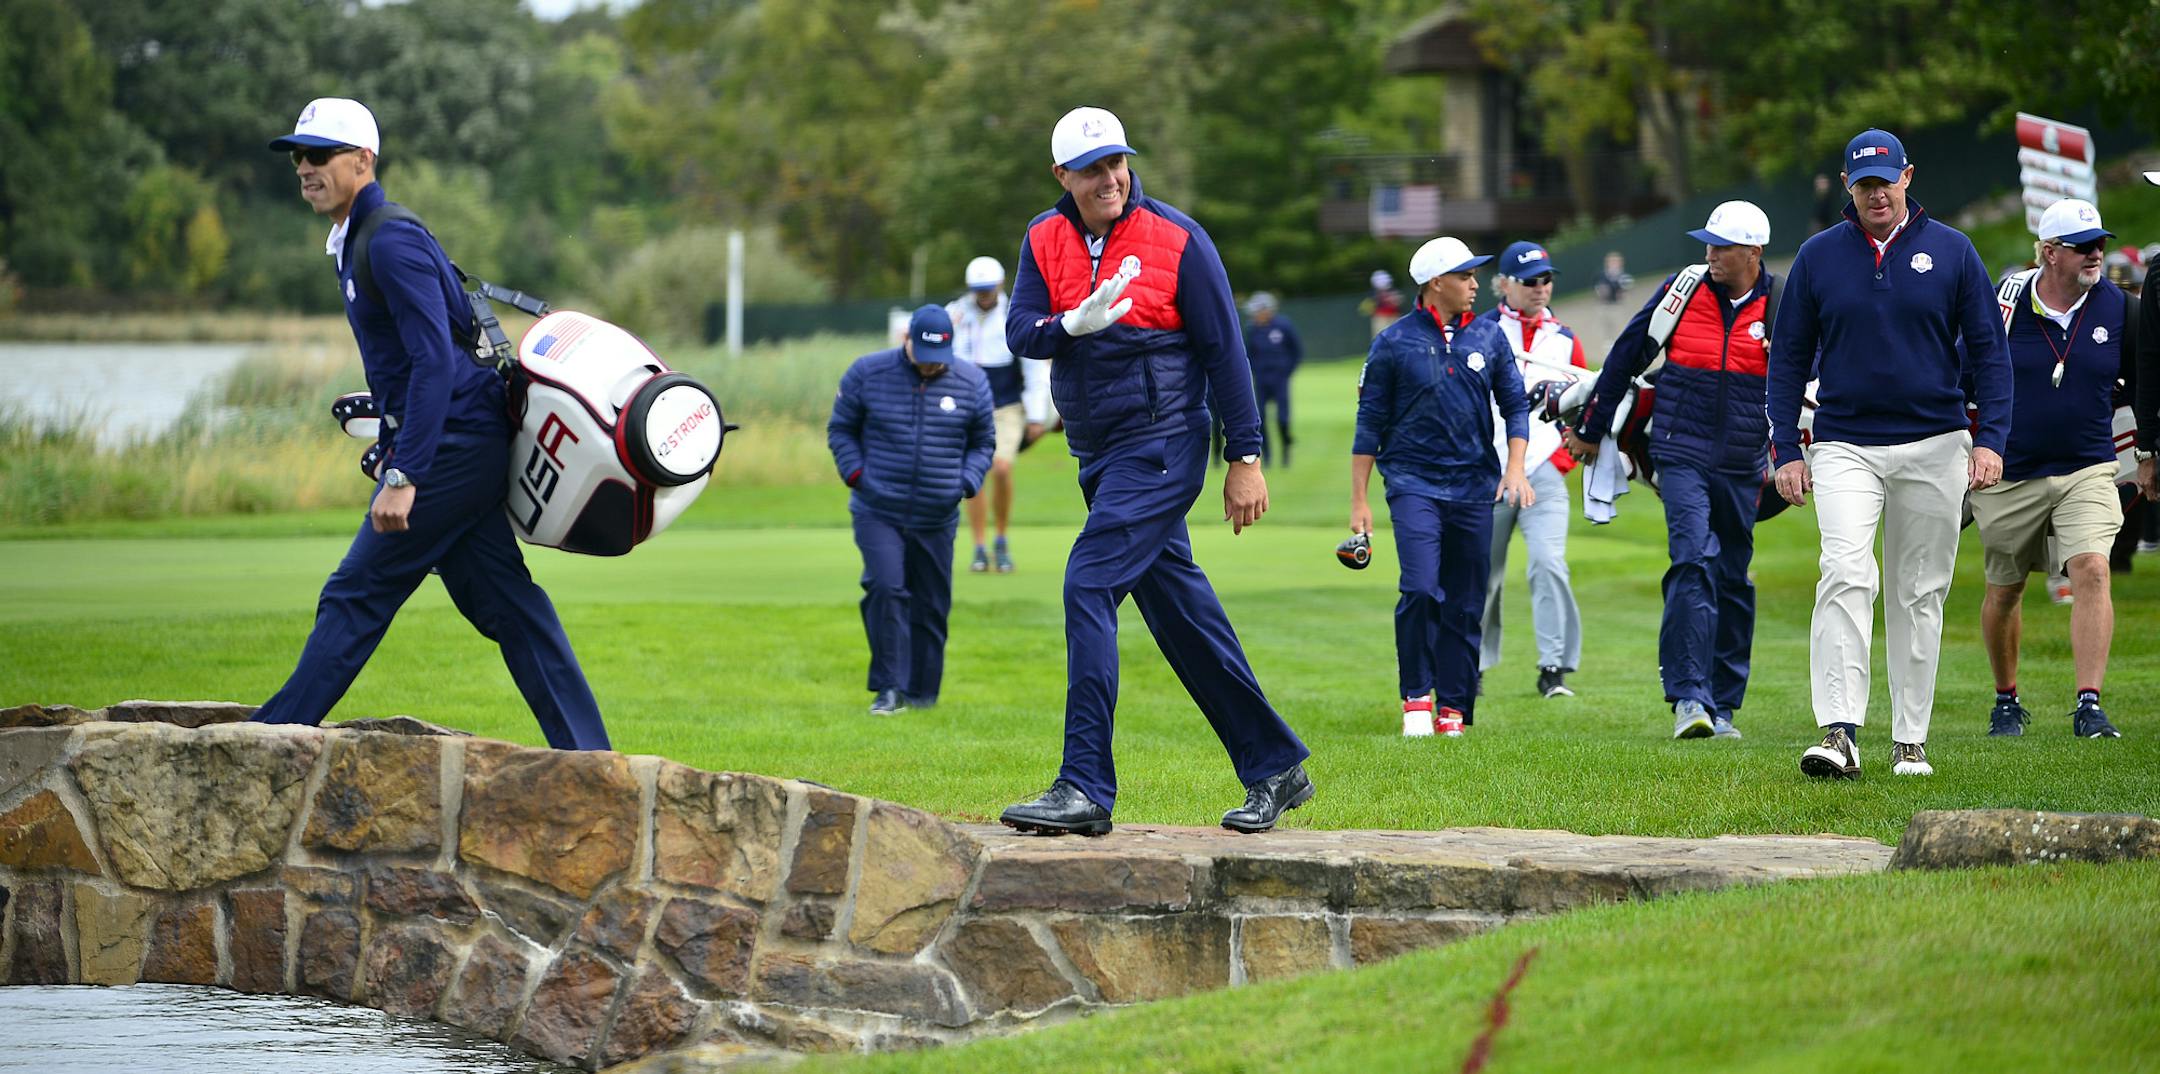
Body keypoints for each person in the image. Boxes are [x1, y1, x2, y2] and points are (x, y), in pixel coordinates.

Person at [249, 98, 609, 749]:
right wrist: (387, 415)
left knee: (355, 593)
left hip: (453, 448)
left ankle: (265, 743)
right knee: (506, 605)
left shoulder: (388, 238)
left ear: (363, 161)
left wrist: (405, 469)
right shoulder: (358, 238)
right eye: (298, 155)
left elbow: (435, 360)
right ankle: (591, 758)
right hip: (455, 439)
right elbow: (423, 355)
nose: (305, 167)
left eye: (321, 154)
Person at [996, 107, 1313, 836]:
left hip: (1164, 445)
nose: (1110, 178)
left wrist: (1246, 456)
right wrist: (1070, 324)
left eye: (1118, 163)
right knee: (1182, 618)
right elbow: (1021, 331)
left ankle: (1084, 786)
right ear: (1062, 177)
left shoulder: (1178, 238)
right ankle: (1275, 766)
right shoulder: (1043, 239)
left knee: (1088, 582)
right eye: (1092, 168)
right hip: (1100, 456)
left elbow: (1226, 352)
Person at [1768, 128, 2012, 779]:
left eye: (1886, 180)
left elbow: (1990, 352)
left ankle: (1910, 739)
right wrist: (1787, 448)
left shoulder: (1954, 252)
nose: (1877, 193)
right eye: (1864, 183)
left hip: (1937, 443)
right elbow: (1788, 358)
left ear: (1909, 176)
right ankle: (1840, 732)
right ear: (1849, 187)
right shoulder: (1819, 258)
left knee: (1918, 593)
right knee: (1845, 571)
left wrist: (1991, 441)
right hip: (1845, 442)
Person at [1569, 201, 1778, 741]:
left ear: (1752, 254)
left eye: (1721, 247)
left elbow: (1810, 383)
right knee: (1691, 559)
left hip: (1743, 462)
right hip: (1679, 453)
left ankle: (1724, 703)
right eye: (1707, 243)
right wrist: (1592, 429)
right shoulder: (1681, 292)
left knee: (1733, 576)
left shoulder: (1782, 304)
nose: (1709, 254)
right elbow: (1624, 357)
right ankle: (1689, 697)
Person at [1353, 236, 1533, 738]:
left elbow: (1515, 406)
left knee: (1466, 601)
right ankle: (1416, 699)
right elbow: (1368, 425)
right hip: (1413, 484)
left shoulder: (1491, 338)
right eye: (1465, 276)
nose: (1476, 285)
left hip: (1476, 488)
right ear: (1437, 283)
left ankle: (1452, 709)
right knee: (1419, 588)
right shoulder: (1392, 343)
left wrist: (1515, 468)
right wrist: (1359, 502)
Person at [1973, 199, 2134, 740]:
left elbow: (2142, 382)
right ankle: (2006, 700)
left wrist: (2148, 451)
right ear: (2047, 253)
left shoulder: (2118, 308)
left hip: (2087, 465)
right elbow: (1960, 376)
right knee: (2005, 589)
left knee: (2091, 567)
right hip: (2008, 470)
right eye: (2082, 246)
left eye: (2100, 243)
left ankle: (2089, 704)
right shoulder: (2003, 304)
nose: (2097, 254)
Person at [827, 305, 996, 716]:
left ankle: (922, 693)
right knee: (887, 588)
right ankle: (889, 689)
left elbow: (982, 442)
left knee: (932, 603)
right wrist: (857, 475)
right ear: (907, 340)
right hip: (877, 507)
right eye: (923, 355)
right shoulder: (867, 373)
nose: (930, 367)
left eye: (939, 359)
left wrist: (966, 482)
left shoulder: (972, 381)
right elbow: (841, 429)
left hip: (937, 513)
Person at [1476, 241, 1585, 699]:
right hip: (1488, 470)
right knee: (1481, 572)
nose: (1540, 288)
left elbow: (1583, 403)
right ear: (1504, 285)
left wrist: (1560, 460)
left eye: (1546, 279)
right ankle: (1471, 665)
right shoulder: (1479, 332)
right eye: (1529, 281)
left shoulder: (1564, 337)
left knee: (1548, 563)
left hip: (1542, 470)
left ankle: (1554, 668)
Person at [947, 256, 1050, 574]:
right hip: (968, 405)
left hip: (1007, 405)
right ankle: (979, 547)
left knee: (1002, 468)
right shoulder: (955, 314)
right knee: (973, 477)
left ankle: (1001, 540)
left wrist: (1035, 415)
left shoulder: (1012, 313)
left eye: (988, 290)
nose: (984, 297)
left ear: (1000, 286)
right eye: (979, 291)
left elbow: (1033, 367)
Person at [1243, 292, 1303, 467]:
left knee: (1282, 419)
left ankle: (1286, 450)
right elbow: (1248, 353)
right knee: (1260, 418)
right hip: (1261, 379)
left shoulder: (1283, 326)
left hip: (1280, 379)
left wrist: (1287, 371)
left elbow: (1296, 351)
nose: (1255, 315)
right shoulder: (1252, 329)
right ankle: (1267, 456)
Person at [1361, 270, 1406, 338]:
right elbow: (1368, 309)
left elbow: (1399, 301)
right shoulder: (1373, 294)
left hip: (1394, 317)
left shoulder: (1393, 292)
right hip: (1381, 319)